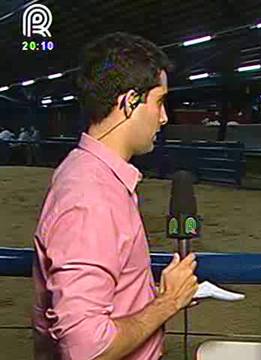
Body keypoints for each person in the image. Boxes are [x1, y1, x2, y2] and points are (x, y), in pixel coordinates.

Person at [32, 32, 199, 360]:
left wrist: (159, 294)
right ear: (129, 102)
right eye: (160, 102)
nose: (164, 118)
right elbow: (87, 349)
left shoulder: (90, 173)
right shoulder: (91, 198)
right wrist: (166, 304)